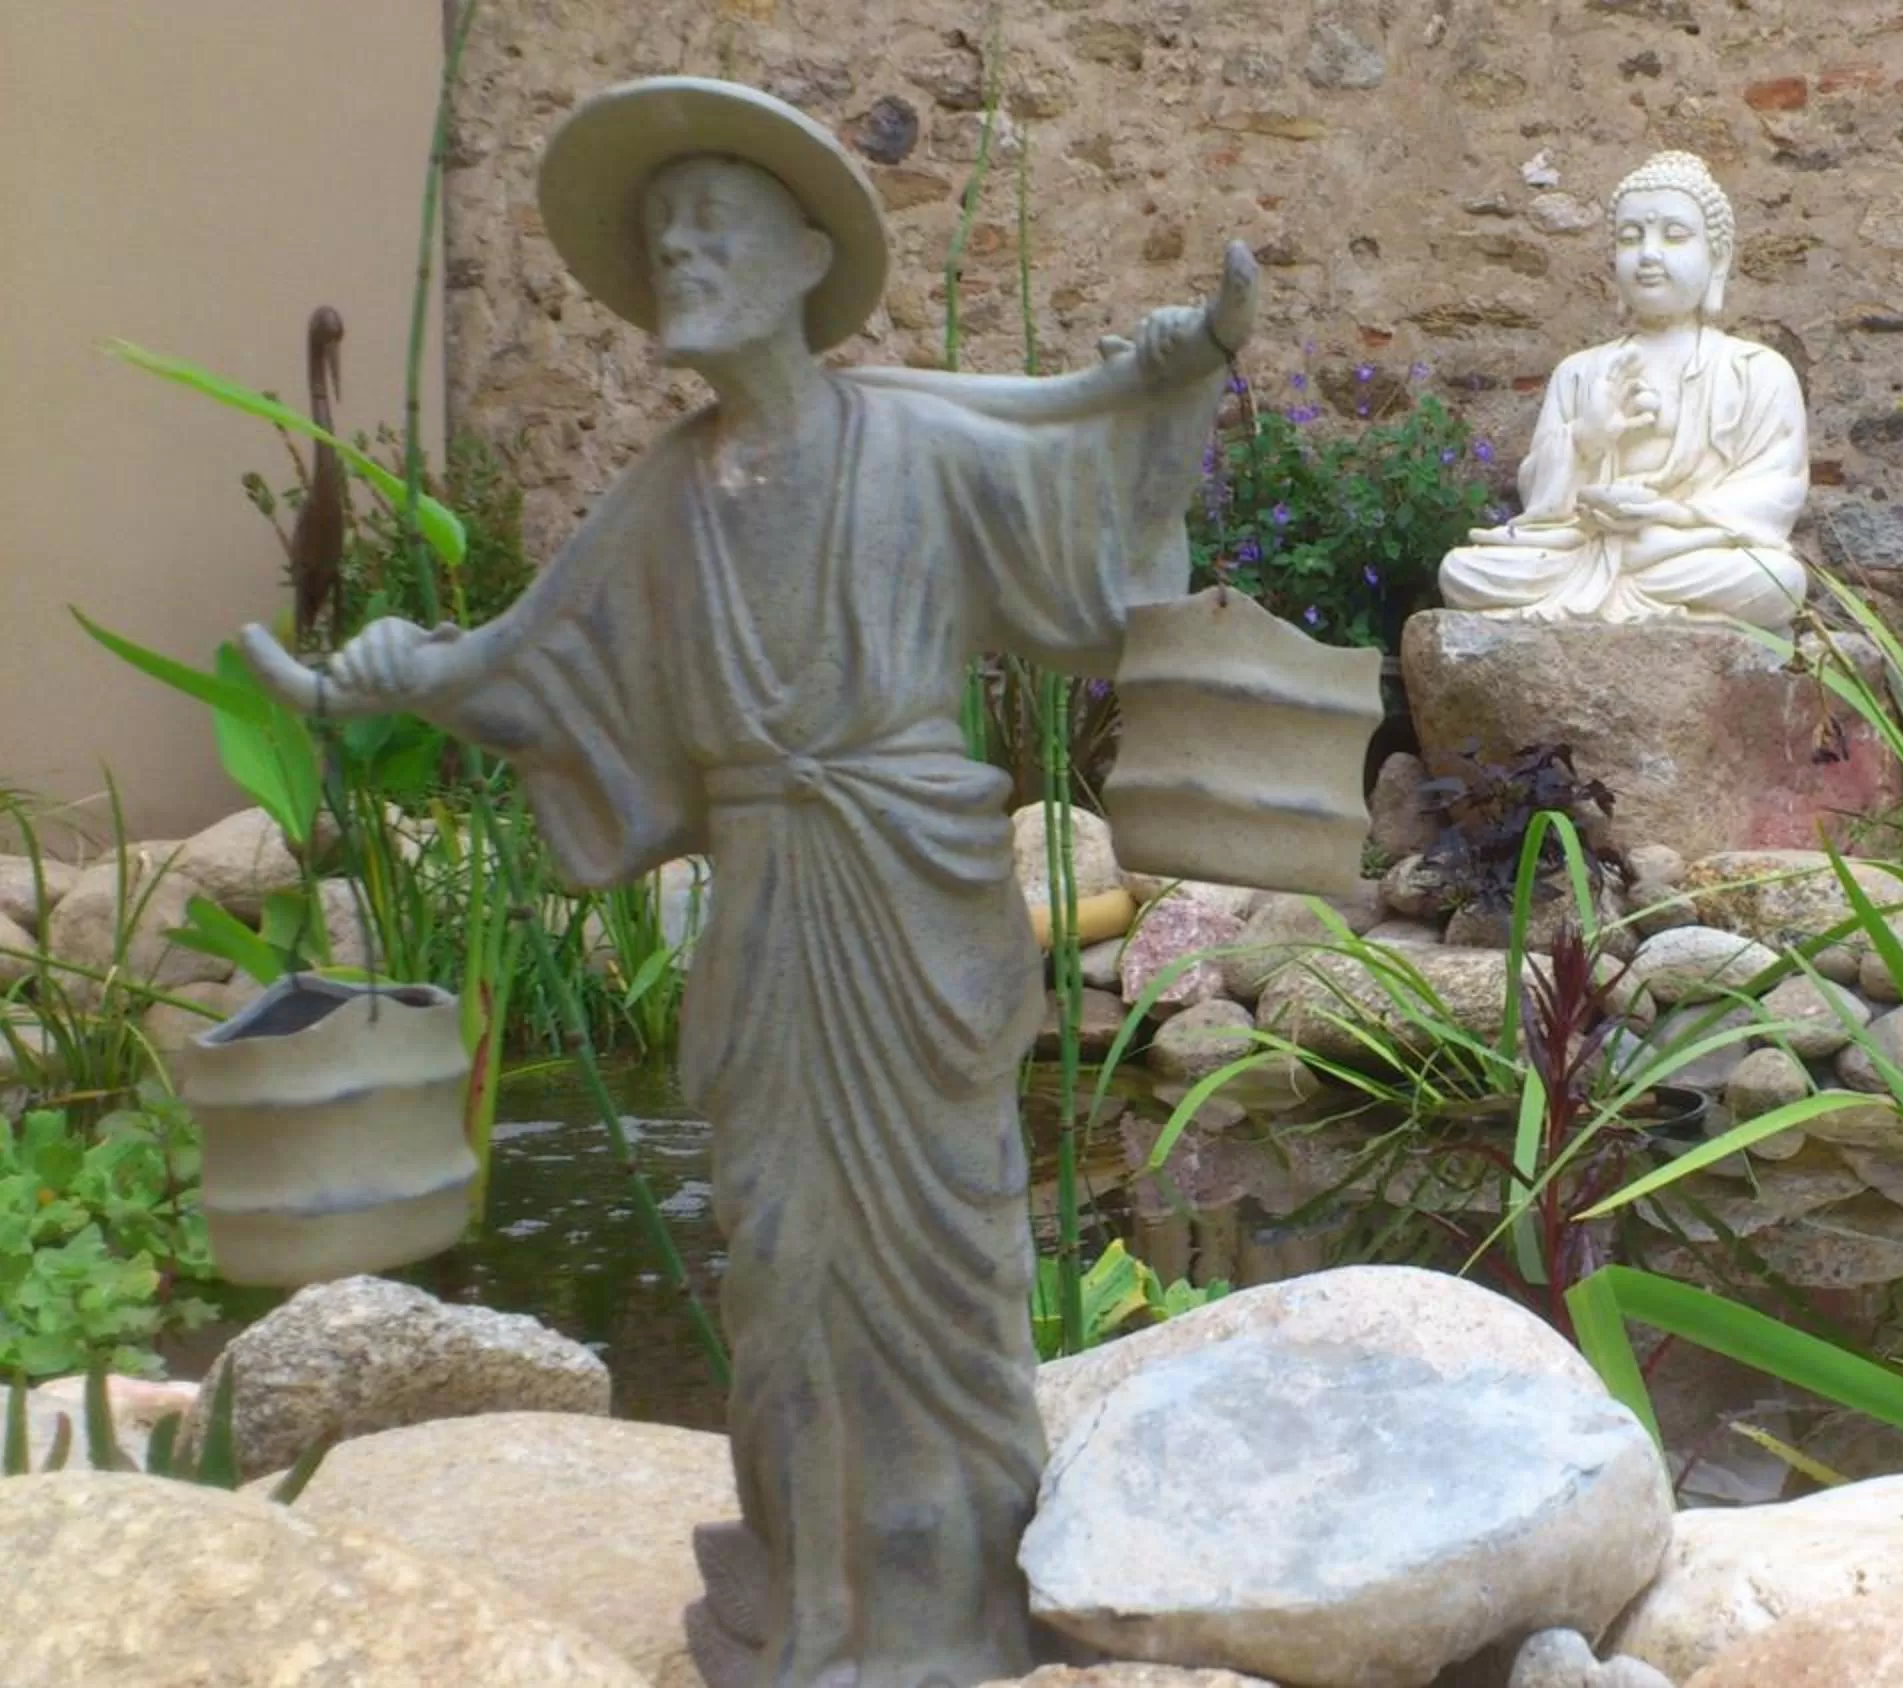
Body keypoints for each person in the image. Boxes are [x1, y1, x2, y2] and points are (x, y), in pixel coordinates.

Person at [238, 75, 1256, 1688]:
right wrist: (393, 674)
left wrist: (1177, 384)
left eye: (712, 222)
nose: (679, 251)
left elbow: (1092, 573)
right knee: (782, 1251)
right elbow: (533, 657)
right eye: (661, 231)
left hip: (914, 906)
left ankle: (945, 1592)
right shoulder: (665, 493)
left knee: (947, 1246)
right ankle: (815, 1587)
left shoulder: (921, 439)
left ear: (804, 259)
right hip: (774, 913)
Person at [1435, 150, 1812, 630]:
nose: (1649, 254)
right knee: (1463, 571)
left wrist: (1670, 515)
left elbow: (1774, 491)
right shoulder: (1579, 371)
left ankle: (1624, 578)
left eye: (1674, 236)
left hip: (1679, 552)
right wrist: (1585, 439)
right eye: (1631, 238)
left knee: (1778, 579)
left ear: (1717, 258)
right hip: (1581, 550)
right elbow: (1540, 503)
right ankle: (1615, 582)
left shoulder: (1756, 371)